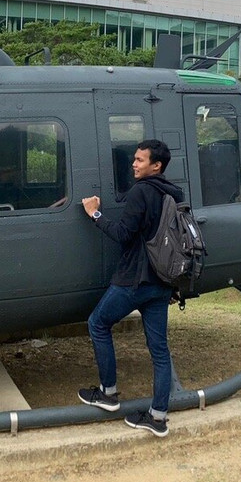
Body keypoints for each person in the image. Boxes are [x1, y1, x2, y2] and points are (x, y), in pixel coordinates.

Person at [77, 138, 183, 437]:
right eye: (134, 159)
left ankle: (108, 393)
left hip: (134, 280)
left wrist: (94, 214)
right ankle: (158, 417)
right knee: (159, 351)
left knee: (98, 323)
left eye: (140, 160)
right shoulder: (172, 194)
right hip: (163, 282)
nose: (134, 164)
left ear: (156, 165)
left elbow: (124, 234)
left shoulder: (142, 191)